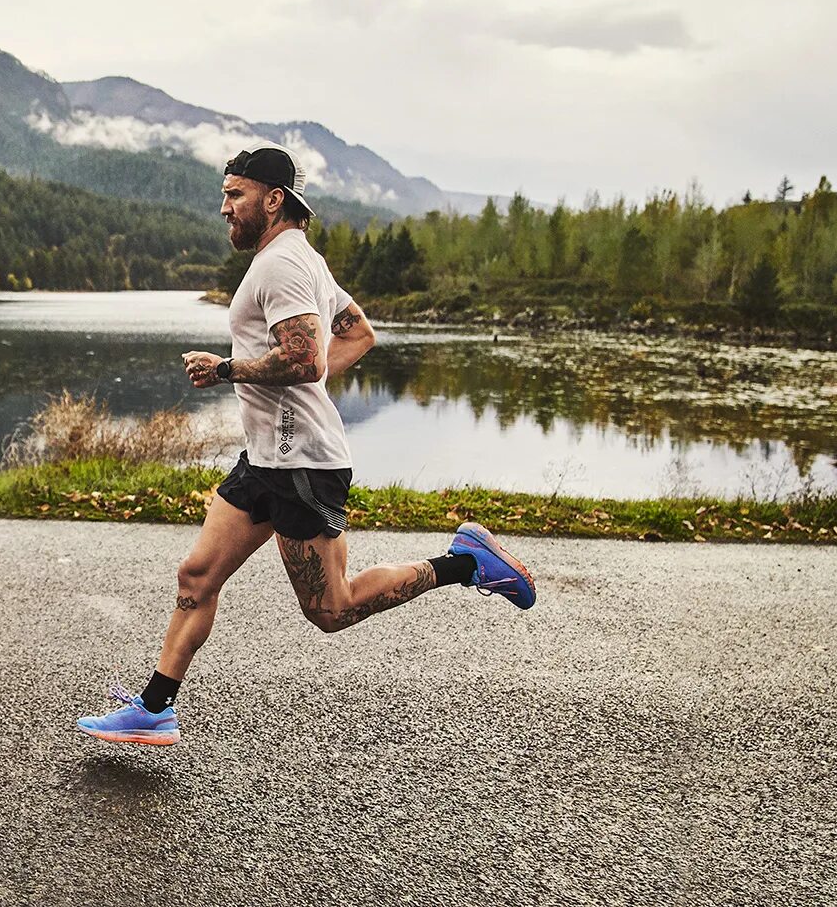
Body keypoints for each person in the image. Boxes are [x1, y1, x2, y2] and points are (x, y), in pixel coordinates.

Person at [75, 145, 537, 746]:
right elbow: (355, 335)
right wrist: (301, 390)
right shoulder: (296, 259)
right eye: (224, 195)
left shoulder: (283, 266)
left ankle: (466, 563)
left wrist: (227, 371)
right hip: (268, 459)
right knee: (196, 576)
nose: (224, 208)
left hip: (301, 466)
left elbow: (302, 356)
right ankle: (155, 706)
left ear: (272, 200)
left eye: (235, 195)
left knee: (331, 609)